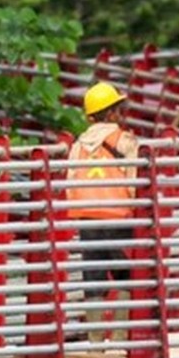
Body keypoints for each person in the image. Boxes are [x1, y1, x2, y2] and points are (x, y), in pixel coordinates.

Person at [68, 81, 139, 341]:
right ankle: (120, 337)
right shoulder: (123, 140)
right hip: (117, 215)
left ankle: (94, 341)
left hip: (86, 216)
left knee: (93, 274)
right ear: (112, 113)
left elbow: (70, 178)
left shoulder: (78, 145)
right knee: (124, 273)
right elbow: (135, 180)